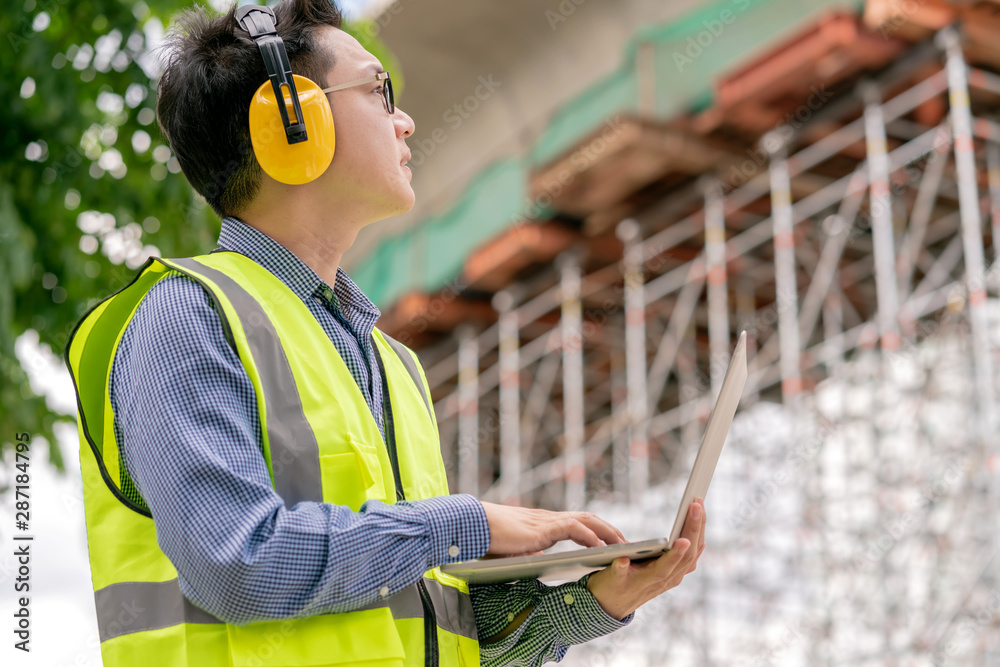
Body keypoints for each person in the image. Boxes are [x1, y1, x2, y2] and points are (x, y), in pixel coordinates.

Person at [64, 1, 707, 665]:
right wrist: (468, 522)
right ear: (293, 123)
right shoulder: (185, 317)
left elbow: (423, 628)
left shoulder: (392, 364)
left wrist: (588, 603)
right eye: (378, 92)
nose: (406, 120)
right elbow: (239, 563)